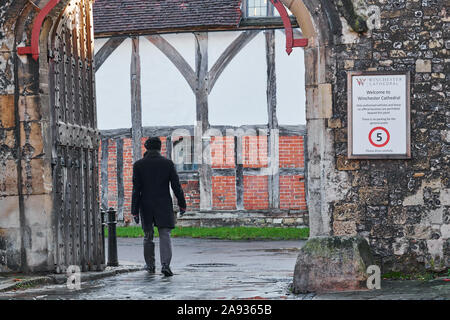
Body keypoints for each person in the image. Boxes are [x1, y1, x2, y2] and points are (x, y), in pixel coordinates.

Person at [131, 137, 186, 276]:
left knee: (148, 235)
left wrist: (134, 211)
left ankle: (150, 265)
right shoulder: (167, 164)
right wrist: (182, 204)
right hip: (163, 203)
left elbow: (136, 190)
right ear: (160, 148)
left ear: (147, 148)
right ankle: (165, 265)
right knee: (165, 234)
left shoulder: (138, 165)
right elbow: (176, 186)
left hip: (146, 204)